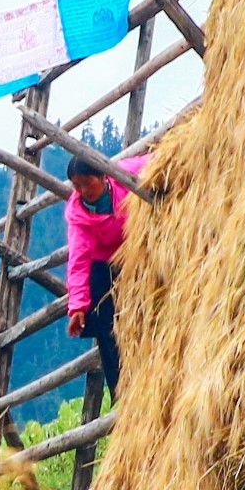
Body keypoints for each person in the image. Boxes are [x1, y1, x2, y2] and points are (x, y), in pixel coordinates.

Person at [64, 151, 148, 398]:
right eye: (76, 186)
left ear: (103, 177)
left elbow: (155, 160)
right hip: (104, 266)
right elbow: (78, 262)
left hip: (135, 253)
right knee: (107, 326)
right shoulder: (80, 215)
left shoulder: (122, 175)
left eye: (87, 183)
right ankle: (121, 391)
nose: (83, 191)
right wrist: (77, 306)